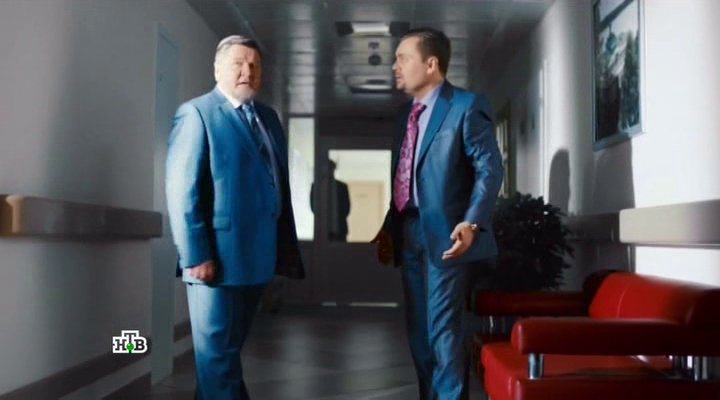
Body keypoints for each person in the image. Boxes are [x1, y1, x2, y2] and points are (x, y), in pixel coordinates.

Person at [165, 35, 304, 400]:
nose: (247, 71)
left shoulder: (268, 118)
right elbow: (182, 192)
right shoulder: (197, 114)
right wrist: (196, 255)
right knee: (219, 360)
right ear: (217, 70)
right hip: (214, 261)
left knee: (222, 357)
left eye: (254, 65)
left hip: (256, 259)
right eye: (238, 64)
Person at [372, 28, 503, 400]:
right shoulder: (405, 116)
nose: (395, 66)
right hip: (408, 232)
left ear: (431, 64)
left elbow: (489, 169)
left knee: (443, 331)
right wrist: (390, 225)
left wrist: (472, 221)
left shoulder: (466, 106)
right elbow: (406, 176)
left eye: (403, 58)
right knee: (418, 332)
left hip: (449, 235)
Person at [310, 159, 351, 241]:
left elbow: (346, 208)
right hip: (322, 229)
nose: (328, 171)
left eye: (330, 168)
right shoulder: (316, 186)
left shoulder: (342, 186)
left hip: (340, 230)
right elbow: (314, 207)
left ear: (333, 169)